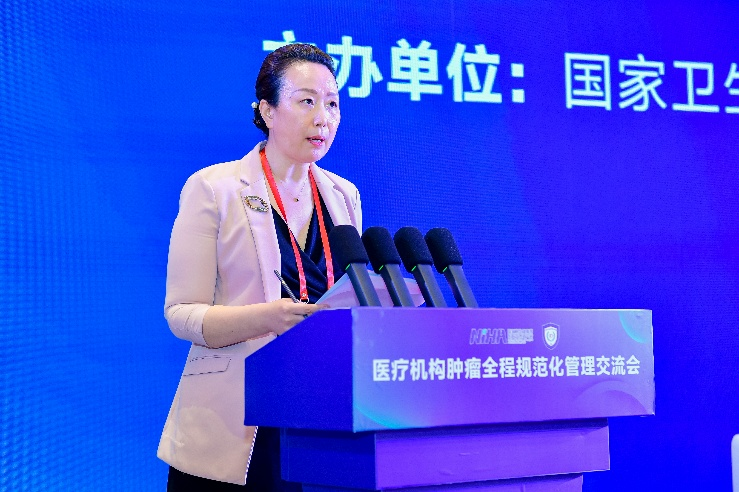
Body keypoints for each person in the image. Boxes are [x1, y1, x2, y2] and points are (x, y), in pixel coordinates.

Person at [158, 43, 361, 490]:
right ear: (267, 111)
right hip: (235, 422)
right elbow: (181, 314)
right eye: (306, 101)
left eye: (332, 104)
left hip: (317, 418)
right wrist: (266, 318)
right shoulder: (215, 188)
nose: (323, 118)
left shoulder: (344, 196)